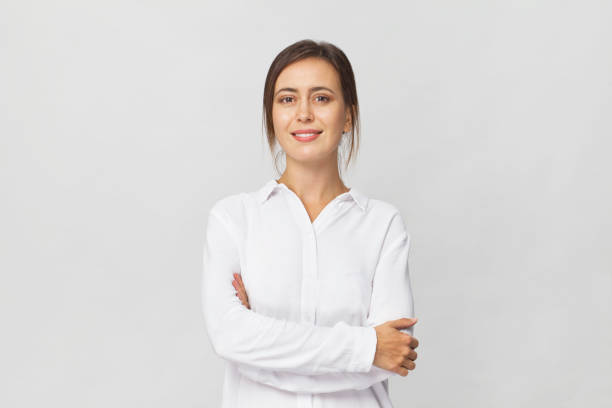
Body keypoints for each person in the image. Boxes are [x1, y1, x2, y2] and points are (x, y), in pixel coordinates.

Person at [202, 39, 419, 408]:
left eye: (321, 98)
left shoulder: (382, 226)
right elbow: (230, 338)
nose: (303, 113)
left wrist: (264, 347)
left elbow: (391, 357)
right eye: (287, 99)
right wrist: (366, 346)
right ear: (271, 114)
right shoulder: (233, 220)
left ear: (348, 115)